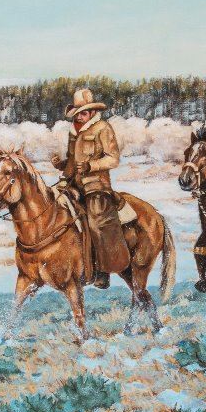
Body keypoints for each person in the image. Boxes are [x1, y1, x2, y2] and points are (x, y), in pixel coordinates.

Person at [50, 88, 130, 288]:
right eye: (77, 113)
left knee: (96, 223)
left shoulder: (103, 128)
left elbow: (113, 159)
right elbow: (72, 161)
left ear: (92, 112)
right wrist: (61, 165)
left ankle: (102, 271)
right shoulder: (73, 131)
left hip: (96, 186)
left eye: (83, 113)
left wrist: (90, 166)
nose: (79, 117)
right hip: (72, 184)